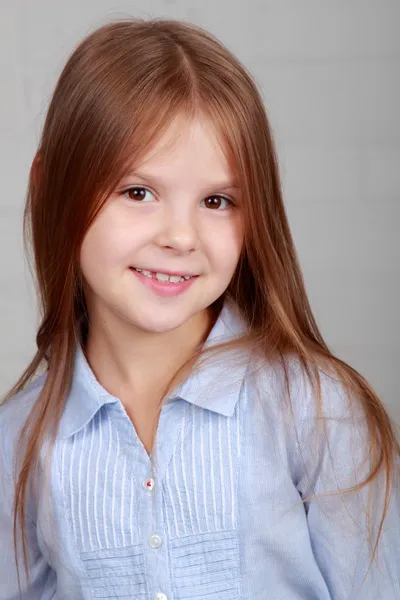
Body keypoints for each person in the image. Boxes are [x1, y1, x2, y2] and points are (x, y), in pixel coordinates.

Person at [0, 17, 399, 600]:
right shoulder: (20, 444)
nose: (181, 237)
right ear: (50, 185)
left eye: (217, 200)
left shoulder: (318, 413)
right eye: (138, 192)